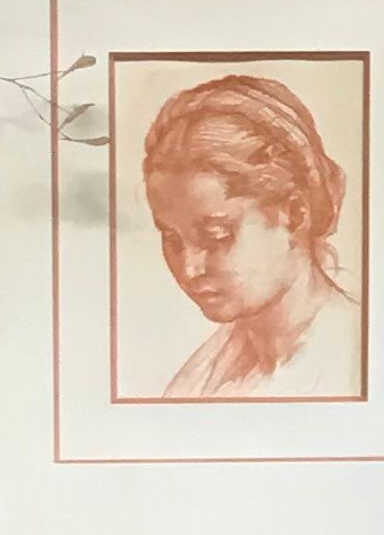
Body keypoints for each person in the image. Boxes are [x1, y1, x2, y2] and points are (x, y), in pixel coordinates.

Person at [138, 72, 364, 400]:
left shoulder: (353, 356)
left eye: (216, 237)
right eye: (172, 240)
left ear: (295, 214)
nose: (189, 269)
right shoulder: (202, 377)